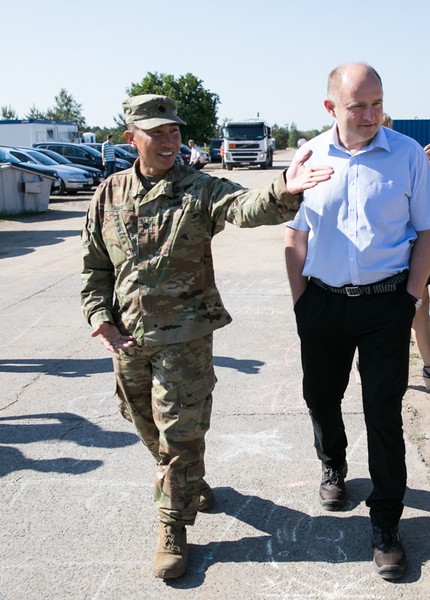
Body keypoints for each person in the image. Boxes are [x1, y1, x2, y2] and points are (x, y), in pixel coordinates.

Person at [81, 93, 332, 580]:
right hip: (127, 339)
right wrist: (99, 317)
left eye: (174, 131)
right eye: (157, 132)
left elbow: (245, 206)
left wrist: (285, 188)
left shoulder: (198, 188)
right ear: (131, 137)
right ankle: (189, 480)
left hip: (185, 340)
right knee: (145, 427)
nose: (169, 140)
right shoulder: (107, 194)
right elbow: (94, 267)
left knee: (179, 434)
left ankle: (172, 524)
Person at [284, 63, 430, 580]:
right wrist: (302, 302)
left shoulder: (405, 156)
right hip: (324, 305)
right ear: (331, 107)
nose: (371, 114)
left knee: (383, 412)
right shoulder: (308, 154)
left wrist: (410, 299)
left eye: (377, 103)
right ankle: (333, 462)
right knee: (320, 397)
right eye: (359, 105)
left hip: (385, 306)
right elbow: (293, 236)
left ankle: (386, 524)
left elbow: (428, 232)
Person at [382, 114, 430, 393]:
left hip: (416, 245)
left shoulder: (403, 156)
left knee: (419, 307)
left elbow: (422, 203)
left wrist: (424, 168)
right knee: (406, 310)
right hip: (398, 249)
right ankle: (426, 369)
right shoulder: (380, 162)